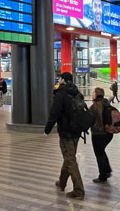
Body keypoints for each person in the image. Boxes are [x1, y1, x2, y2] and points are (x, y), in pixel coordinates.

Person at [44, 72, 85, 200]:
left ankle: (79, 190)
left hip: (66, 131)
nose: (58, 80)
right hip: (77, 132)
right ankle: (61, 182)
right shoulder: (78, 93)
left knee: (70, 159)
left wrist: (47, 129)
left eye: (60, 79)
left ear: (63, 80)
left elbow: (54, 113)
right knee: (69, 156)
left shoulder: (61, 94)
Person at [90, 87, 113, 184]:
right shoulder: (106, 104)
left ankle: (102, 176)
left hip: (98, 134)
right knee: (102, 152)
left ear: (96, 94)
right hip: (108, 134)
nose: (92, 94)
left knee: (99, 154)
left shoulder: (94, 107)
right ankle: (107, 171)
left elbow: (89, 120)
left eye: (93, 93)